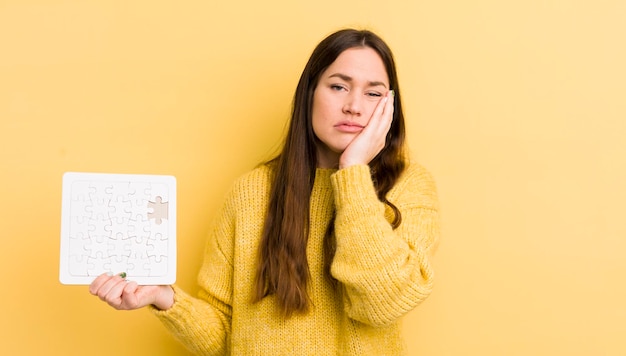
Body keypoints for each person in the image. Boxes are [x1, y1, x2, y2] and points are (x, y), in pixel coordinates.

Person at [89, 28, 440, 355]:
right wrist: (163, 298)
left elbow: (384, 302)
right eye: (338, 86)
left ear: (388, 108)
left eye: (373, 92)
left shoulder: (408, 186)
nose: (354, 106)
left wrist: (353, 173)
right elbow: (225, 334)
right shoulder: (251, 192)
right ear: (310, 94)